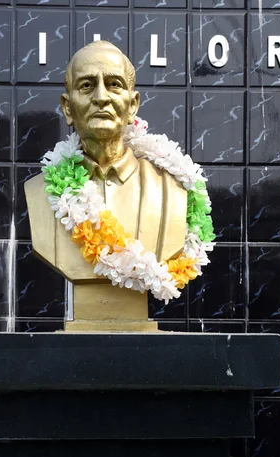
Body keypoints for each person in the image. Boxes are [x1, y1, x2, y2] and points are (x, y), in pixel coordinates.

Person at [25, 41, 187, 329]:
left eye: (113, 84)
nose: (101, 97)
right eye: (87, 86)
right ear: (67, 107)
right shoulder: (39, 192)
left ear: (133, 104)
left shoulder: (172, 192)